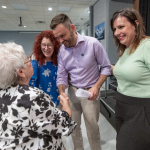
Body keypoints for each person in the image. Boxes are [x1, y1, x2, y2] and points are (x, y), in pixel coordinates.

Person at [50, 14, 111, 150]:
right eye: (57, 37)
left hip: (90, 92)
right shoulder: (62, 51)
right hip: (72, 91)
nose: (60, 40)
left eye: (63, 35)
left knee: (92, 128)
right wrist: (62, 92)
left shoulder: (93, 43)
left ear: (72, 28)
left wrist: (97, 86)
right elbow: (61, 74)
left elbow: (106, 67)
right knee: (73, 128)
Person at [0, 42, 77, 150]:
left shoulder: (3, 93)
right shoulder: (33, 97)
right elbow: (63, 124)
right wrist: (66, 106)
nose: (31, 62)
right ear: (21, 72)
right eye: (27, 61)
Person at [110, 8, 150, 150]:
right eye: (115, 29)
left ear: (136, 24)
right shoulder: (127, 49)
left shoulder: (147, 46)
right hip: (121, 106)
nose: (116, 33)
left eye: (121, 27)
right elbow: (128, 71)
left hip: (140, 110)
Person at [29, 30, 60, 106]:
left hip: (56, 101)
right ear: (40, 46)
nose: (46, 48)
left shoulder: (59, 62)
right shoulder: (35, 62)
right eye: (43, 44)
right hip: (39, 101)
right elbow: (31, 83)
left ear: (54, 46)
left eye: (50, 44)